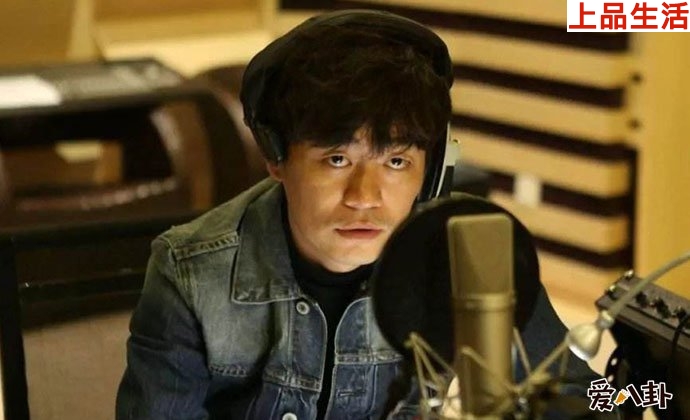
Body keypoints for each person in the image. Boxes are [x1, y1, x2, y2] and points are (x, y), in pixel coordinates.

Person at [116, 9, 595, 420]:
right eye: (337, 159)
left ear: (432, 172)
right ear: (277, 157)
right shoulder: (190, 271)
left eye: (396, 162)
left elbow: (589, 396)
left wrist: (624, 395)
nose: (365, 197)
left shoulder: (470, 250)